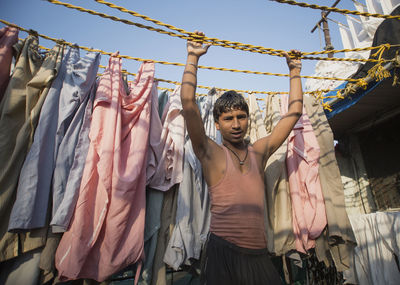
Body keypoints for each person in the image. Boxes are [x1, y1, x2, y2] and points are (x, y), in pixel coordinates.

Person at [180, 30, 303, 285]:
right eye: (228, 119)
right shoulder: (210, 153)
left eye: (241, 117)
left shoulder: (259, 152)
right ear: (216, 123)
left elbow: (295, 112)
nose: (236, 124)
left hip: (258, 255)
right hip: (222, 252)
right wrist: (193, 57)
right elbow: (188, 103)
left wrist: (294, 72)